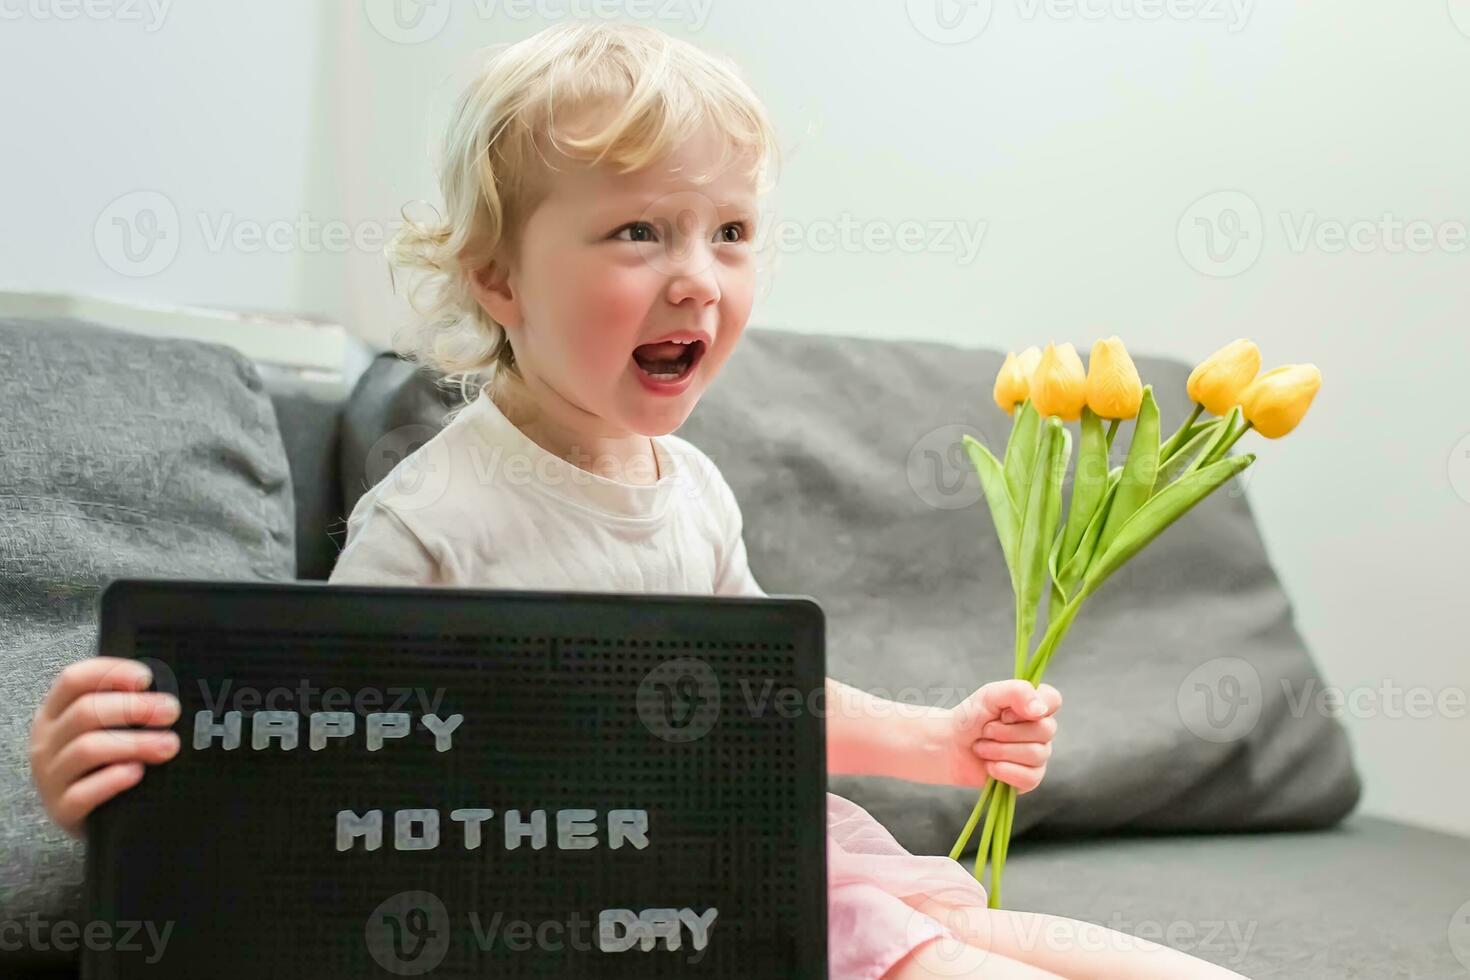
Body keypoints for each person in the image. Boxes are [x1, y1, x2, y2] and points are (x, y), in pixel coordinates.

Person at [29, 22, 1244, 980]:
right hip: (608, 903)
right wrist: (135, 771)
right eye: (638, 232)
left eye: (731, 231)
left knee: (1091, 950)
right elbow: (323, 767)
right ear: (499, 278)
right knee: (930, 956)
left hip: (760, 849)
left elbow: (765, 704)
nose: (696, 278)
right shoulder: (432, 518)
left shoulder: (695, 490)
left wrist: (937, 737)